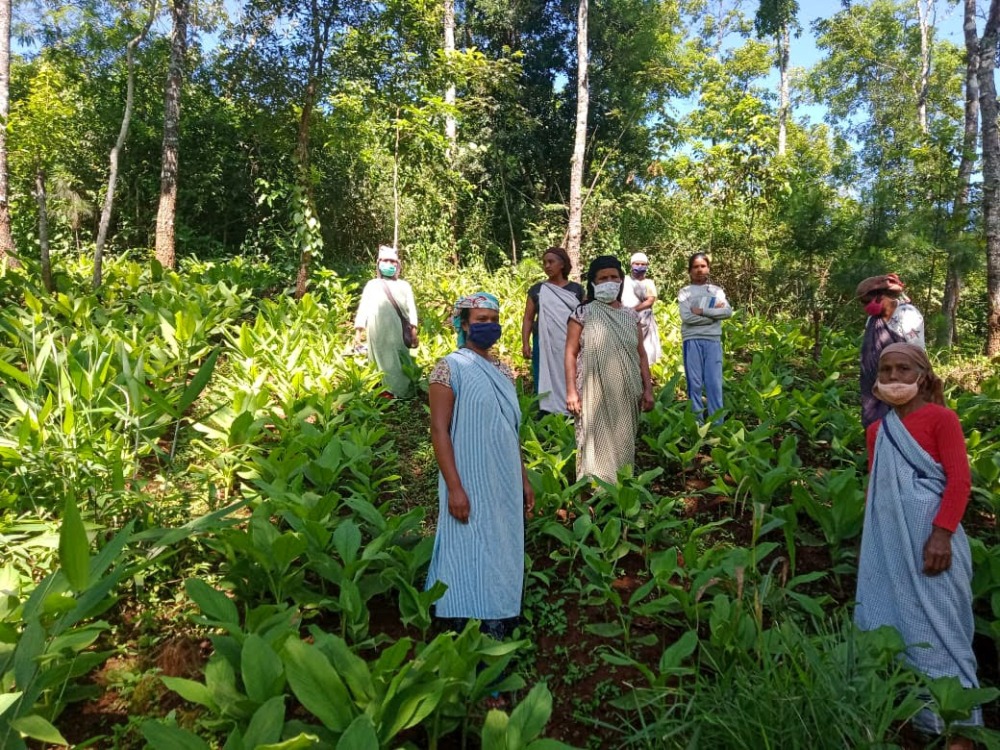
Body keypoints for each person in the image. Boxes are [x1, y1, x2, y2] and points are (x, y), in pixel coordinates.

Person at [856, 343, 980, 747]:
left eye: (903, 369)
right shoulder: (878, 431)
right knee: (897, 622)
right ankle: (919, 721)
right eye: (886, 370)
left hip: (934, 544)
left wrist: (941, 533)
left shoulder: (942, 420)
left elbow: (960, 482)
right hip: (891, 546)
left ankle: (959, 729)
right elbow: (880, 491)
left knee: (944, 628)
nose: (893, 377)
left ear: (922, 376)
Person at [426, 292, 535, 657]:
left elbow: (509, 430)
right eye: (481, 319)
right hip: (468, 478)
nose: (489, 325)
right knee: (466, 545)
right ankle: (463, 623)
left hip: (502, 477)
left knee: (502, 543)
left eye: (493, 319)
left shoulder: (504, 370)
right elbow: (440, 431)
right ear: (464, 324)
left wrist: (522, 478)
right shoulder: (449, 367)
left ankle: (501, 618)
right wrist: (454, 487)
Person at [565, 256, 654, 484]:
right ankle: (595, 490)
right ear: (593, 283)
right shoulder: (582, 313)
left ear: (621, 281)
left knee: (624, 439)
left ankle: (620, 490)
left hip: (627, 390)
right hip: (592, 392)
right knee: (593, 441)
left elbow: (641, 355)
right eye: (603, 278)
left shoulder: (630, 316)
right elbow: (570, 353)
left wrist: (648, 389)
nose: (609, 281)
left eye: (614, 277)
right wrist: (571, 392)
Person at [521, 247, 586, 414]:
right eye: (544, 263)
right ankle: (546, 412)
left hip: (570, 342)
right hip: (544, 342)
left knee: (572, 374)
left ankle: (572, 408)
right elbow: (528, 318)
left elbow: (585, 316)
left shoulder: (576, 290)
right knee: (543, 374)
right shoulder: (537, 290)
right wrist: (525, 343)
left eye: (551, 262)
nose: (547, 266)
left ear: (562, 264)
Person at [856, 273, 925, 428]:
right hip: (875, 383)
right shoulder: (872, 320)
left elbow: (916, 351)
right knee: (876, 424)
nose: (865, 307)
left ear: (883, 296)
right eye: (863, 303)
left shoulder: (907, 314)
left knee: (904, 423)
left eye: (868, 302)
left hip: (901, 381)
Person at [352, 246, 419, 398]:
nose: (389, 264)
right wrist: (358, 331)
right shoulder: (372, 284)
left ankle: (401, 392)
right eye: (386, 260)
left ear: (398, 265)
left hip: (398, 331)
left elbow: (411, 308)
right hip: (376, 331)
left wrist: (414, 330)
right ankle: (383, 391)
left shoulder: (404, 286)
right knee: (378, 359)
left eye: (392, 261)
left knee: (397, 361)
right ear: (379, 263)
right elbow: (364, 308)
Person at [677, 253, 732, 424]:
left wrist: (702, 311)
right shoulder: (685, 292)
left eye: (703, 266)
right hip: (692, 340)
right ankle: (697, 424)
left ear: (708, 268)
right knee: (695, 384)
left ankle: (717, 424)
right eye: (695, 267)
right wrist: (714, 315)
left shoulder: (716, 291)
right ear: (689, 270)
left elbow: (727, 312)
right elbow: (687, 318)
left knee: (714, 383)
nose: (700, 270)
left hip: (713, 340)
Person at [620, 251, 663, 365]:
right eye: (637, 263)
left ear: (647, 266)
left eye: (643, 264)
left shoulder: (649, 283)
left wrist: (633, 310)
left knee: (646, 351)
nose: (640, 266)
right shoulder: (624, 281)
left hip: (644, 321)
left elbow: (650, 300)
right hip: (624, 319)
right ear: (631, 264)